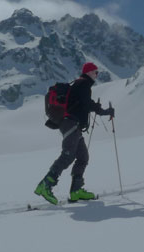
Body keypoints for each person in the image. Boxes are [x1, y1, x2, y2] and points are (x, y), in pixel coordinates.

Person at [35, 62, 114, 204]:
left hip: (74, 125)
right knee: (68, 155)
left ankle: (76, 191)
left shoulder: (81, 84)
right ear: (89, 72)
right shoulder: (83, 84)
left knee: (83, 156)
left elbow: (84, 103)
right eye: (96, 72)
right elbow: (87, 103)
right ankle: (45, 185)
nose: (97, 75)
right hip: (71, 123)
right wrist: (103, 111)